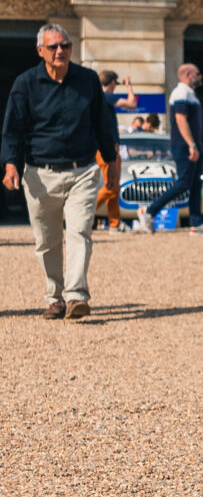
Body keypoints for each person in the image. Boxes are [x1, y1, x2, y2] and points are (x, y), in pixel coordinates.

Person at [1, 22, 121, 318]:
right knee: (46, 241)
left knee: (80, 231)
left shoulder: (88, 80)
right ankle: (54, 297)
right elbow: (12, 129)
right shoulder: (25, 84)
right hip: (40, 174)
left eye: (65, 46)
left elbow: (103, 126)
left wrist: (112, 164)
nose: (60, 51)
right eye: (53, 46)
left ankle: (76, 296)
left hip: (83, 171)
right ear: (40, 50)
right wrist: (10, 164)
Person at [152, 62, 203, 234]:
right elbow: (181, 120)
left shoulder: (189, 94)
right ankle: (150, 212)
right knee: (184, 183)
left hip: (194, 146)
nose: (200, 77)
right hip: (185, 146)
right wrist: (191, 145)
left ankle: (196, 222)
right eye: (198, 73)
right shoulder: (181, 92)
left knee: (195, 184)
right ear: (188, 74)